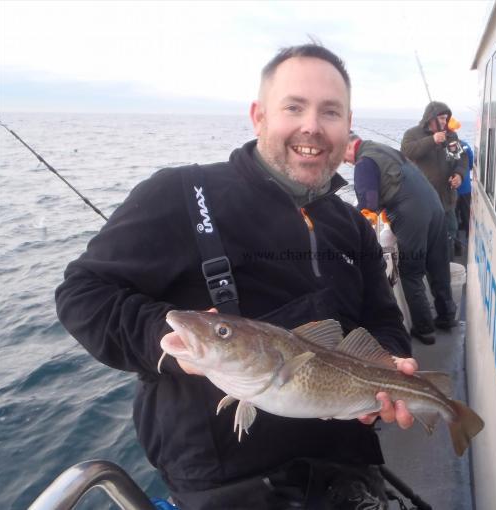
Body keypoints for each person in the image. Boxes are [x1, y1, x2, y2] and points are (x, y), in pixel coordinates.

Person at [55, 44, 419, 510]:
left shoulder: (352, 227)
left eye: (330, 111)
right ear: (259, 116)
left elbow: (383, 321)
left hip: (348, 467)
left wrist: (393, 365)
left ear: (347, 126)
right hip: (229, 484)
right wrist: (160, 339)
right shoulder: (181, 194)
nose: (311, 125)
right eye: (294, 106)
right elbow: (83, 294)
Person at [343, 133, 457, 345]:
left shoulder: (364, 162)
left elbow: (368, 205)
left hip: (411, 215)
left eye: (342, 156)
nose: (344, 161)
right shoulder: (383, 149)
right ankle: (447, 316)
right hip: (434, 205)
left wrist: (347, 222)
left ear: (347, 146)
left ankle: (424, 329)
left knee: (411, 272)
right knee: (438, 265)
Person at [401, 102, 466, 257]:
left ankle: (447, 268)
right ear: (430, 118)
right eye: (442, 118)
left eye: (446, 118)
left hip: (447, 200)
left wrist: (459, 175)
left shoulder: (451, 135)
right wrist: (432, 140)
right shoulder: (412, 134)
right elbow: (406, 152)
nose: (445, 122)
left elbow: (461, 159)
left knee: (450, 232)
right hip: (422, 201)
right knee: (427, 239)